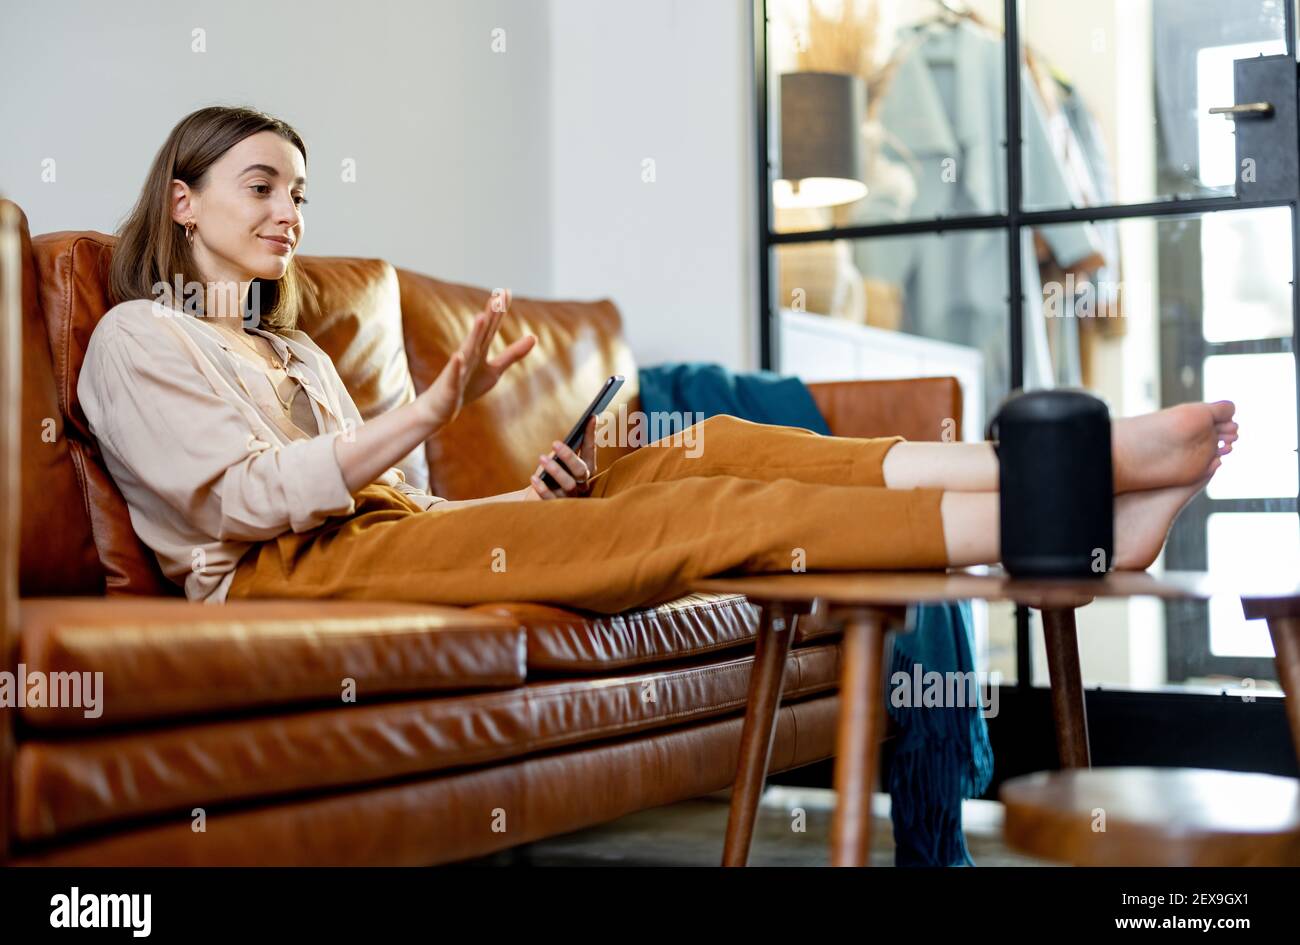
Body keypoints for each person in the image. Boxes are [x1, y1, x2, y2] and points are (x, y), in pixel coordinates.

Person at [80, 106, 1239, 613]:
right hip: (286, 576)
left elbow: (406, 515)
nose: (290, 213)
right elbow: (242, 505)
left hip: (380, 541)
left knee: (705, 451)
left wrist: (515, 496)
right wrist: (428, 409)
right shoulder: (138, 338)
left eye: (300, 193)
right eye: (261, 187)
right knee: (692, 523)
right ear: (181, 203)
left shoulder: (289, 345)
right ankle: (1073, 513)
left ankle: (1078, 479)